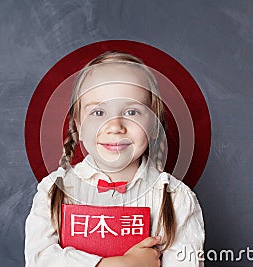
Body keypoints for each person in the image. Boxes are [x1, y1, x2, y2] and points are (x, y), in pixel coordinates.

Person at [24, 51, 205, 267]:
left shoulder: (177, 199)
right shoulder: (54, 190)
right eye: (99, 112)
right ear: (79, 127)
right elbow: (40, 260)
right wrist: (117, 265)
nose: (115, 126)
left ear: (154, 125)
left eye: (132, 112)